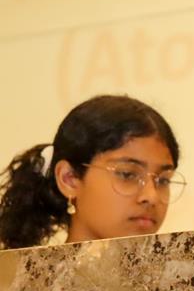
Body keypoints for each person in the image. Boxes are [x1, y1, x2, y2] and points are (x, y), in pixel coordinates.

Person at [0, 94, 184, 250]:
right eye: (127, 174)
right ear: (69, 179)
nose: (151, 196)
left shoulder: (186, 278)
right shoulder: (21, 281)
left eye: (163, 181)